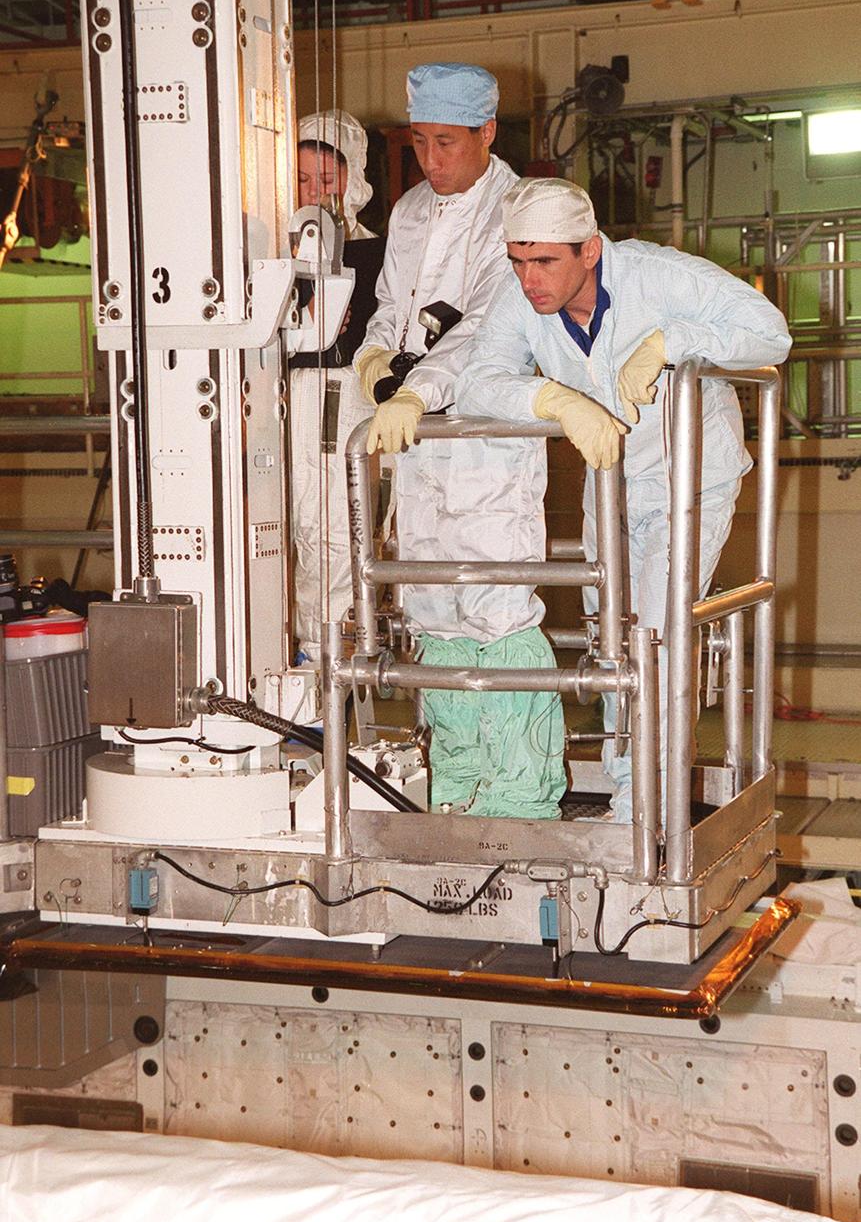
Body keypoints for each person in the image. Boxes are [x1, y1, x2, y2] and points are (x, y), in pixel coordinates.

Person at [455, 176, 791, 823]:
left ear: (589, 250)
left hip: (690, 476)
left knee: (655, 635)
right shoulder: (520, 296)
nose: (529, 279)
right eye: (517, 261)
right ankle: (626, 786)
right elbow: (478, 380)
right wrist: (548, 399)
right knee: (609, 638)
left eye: (544, 262)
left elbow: (768, 332)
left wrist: (673, 343)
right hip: (609, 479)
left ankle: (648, 805)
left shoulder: (656, 277)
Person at [354, 63, 567, 819]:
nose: (432, 160)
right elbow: (391, 307)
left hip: (484, 435)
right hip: (418, 439)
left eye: (448, 142)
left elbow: (483, 327)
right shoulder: (410, 209)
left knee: (492, 609)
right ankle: (457, 790)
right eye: (419, 142)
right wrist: (376, 361)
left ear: (486, 132)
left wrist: (418, 389)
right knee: (432, 610)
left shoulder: (518, 210)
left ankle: (517, 799)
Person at [289, 110, 385, 662]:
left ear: (354, 180)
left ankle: (324, 663)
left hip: (339, 401)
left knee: (330, 535)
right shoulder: (267, 249)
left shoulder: (376, 252)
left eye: (327, 180)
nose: (314, 193)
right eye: (302, 181)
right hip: (280, 407)